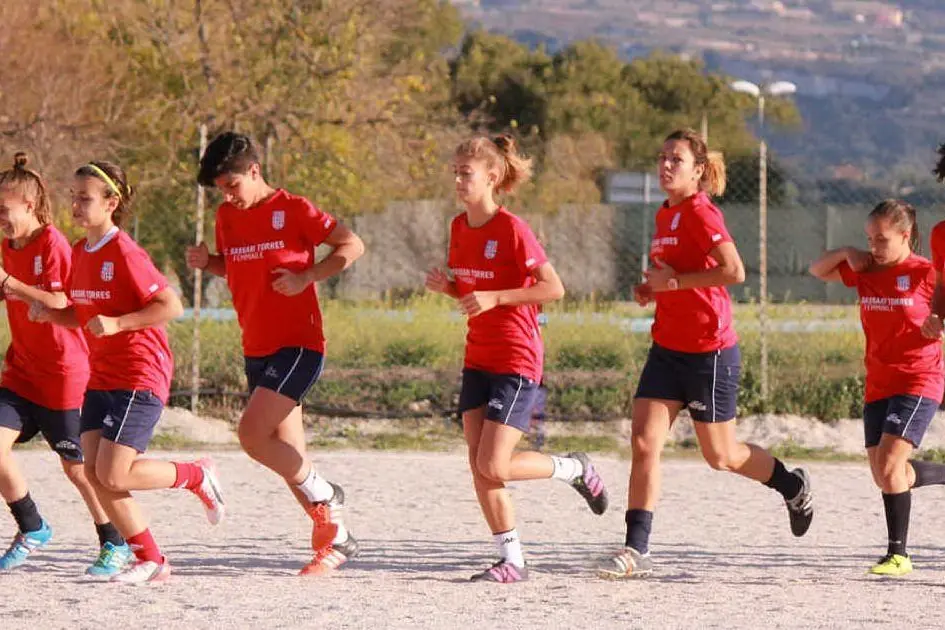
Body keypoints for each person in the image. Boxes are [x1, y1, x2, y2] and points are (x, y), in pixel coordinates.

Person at [595, 129, 813, 579]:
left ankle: (791, 484)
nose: (666, 165)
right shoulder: (665, 213)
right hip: (666, 349)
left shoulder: (699, 211)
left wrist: (673, 282)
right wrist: (652, 288)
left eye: (676, 159)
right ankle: (636, 549)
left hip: (708, 352)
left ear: (698, 170)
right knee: (642, 443)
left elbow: (733, 270)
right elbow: (675, 274)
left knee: (721, 456)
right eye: (662, 157)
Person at [425, 134, 608, 584]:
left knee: (495, 465)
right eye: (455, 171)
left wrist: (498, 296)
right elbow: (474, 294)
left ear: (491, 176)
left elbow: (554, 288)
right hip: (478, 358)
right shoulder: (458, 227)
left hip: (516, 359)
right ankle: (512, 561)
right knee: (479, 465)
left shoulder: (512, 229)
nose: (457, 179)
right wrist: (449, 288)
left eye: (465, 172)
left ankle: (573, 468)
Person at [32, 160, 224, 583]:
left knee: (115, 472)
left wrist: (119, 324)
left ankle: (196, 474)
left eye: (85, 198)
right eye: (73, 197)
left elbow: (170, 306)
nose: (76, 206)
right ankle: (151, 559)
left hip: (140, 372)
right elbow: (85, 318)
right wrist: (51, 315)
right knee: (95, 473)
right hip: (101, 376)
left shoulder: (124, 251)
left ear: (111, 202)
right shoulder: (80, 252)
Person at [187, 132, 365, 575]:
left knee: (251, 435)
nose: (228, 196)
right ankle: (337, 540)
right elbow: (236, 265)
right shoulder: (227, 216)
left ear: (254, 170)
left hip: (299, 344)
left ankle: (327, 495)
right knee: (289, 459)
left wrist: (308, 276)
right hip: (257, 346)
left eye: (232, 185)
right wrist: (207, 261)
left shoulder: (295, 208)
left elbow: (352, 246)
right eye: (220, 191)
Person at [0, 153, 128, 576]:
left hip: (62, 376)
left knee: (78, 469)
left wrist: (10, 284)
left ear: (30, 206)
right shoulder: (6, 246)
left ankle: (114, 539)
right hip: (22, 372)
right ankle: (32, 526)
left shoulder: (53, 243)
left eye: (4, 209)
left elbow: (60, 301)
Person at [810, 199, 945, 576]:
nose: (874, 246)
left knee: (889, 466)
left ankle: (898, 555)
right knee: (885, 473)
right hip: (878, 382)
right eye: (869, 238)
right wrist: (845, 251)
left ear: (906, 236)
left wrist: (937, 320)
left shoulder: (925, 272)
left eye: (882, 239)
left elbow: (941, 303)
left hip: (919, 377)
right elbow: (817, 270)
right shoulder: (866, 268)